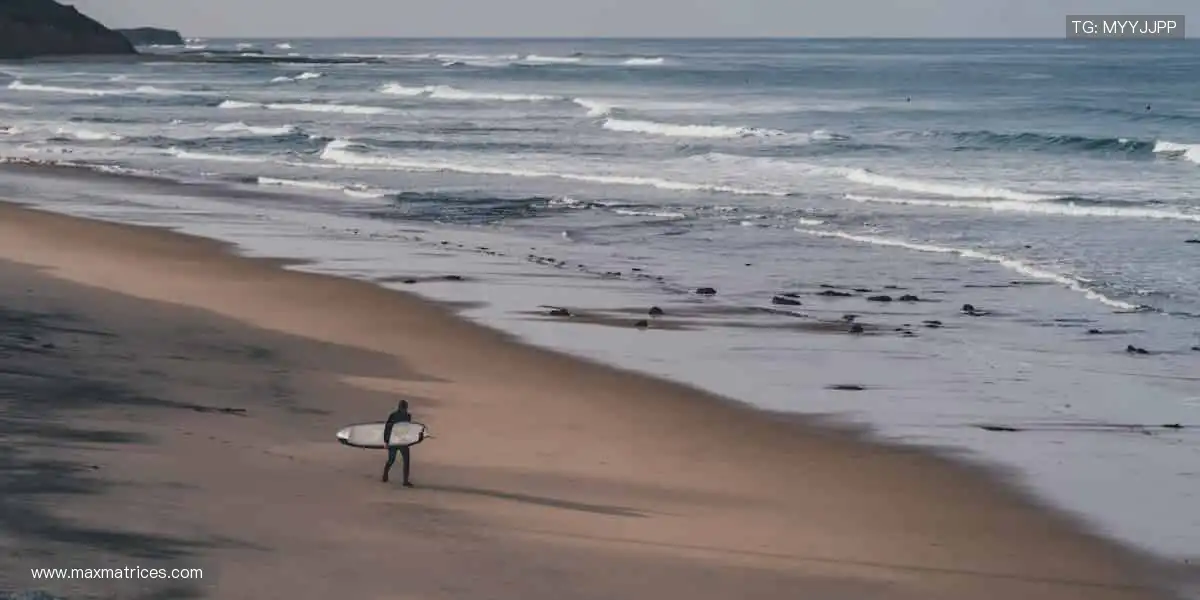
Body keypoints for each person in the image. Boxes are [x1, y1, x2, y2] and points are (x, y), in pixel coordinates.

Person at [381, 400, 420, 486]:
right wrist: (386, 441)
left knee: (406, 461)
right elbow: (388, 428)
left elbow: (408, 429)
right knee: (391, 460)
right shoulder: (393, 416)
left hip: (402, 441)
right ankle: (385, 473)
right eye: (403, 408)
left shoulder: (407, 416)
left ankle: (405, 481)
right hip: (394, 441)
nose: (404, 410)